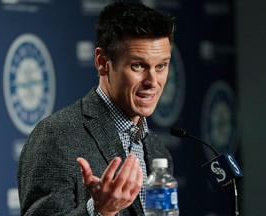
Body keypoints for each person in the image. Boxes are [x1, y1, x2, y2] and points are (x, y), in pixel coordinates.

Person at [17, 1, 176, 215]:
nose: (153, 81)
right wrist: (98, 211)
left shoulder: (158, 150)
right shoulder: (56, 136)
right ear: (102, 62)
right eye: (138, 65)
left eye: (161, 66)